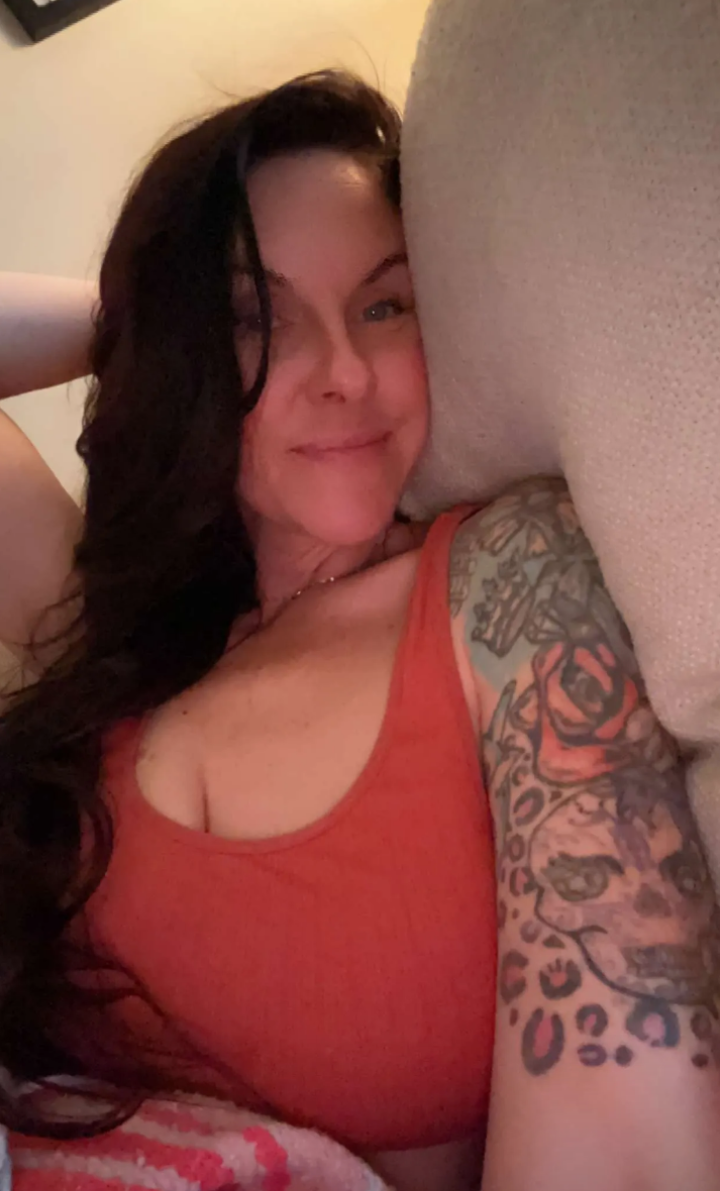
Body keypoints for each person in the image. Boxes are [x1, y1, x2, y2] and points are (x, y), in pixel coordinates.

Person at [0, 71, 718, 1191]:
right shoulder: (115, 630)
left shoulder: (510, 580)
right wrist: (150, 322)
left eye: (383, 306)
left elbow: (631, 1121)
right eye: (259, 318)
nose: (341, 372)